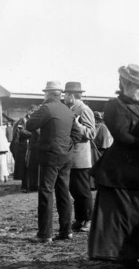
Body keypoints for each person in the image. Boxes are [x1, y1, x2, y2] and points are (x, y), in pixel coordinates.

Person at [88, 64, 139, 269]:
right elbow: (120, 135)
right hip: (120, 169)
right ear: (126, 84)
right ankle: (127, 255)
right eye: (137, 85)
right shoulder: (114, 105)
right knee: (124, 214)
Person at [26, 81, 82, 243]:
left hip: (50, 156)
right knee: (63, 192)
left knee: (46, 193)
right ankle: (66, 231)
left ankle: (45, 234)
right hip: (66, 156)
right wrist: (66, 146)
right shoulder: (67, 110)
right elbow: (77, 135)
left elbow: (30, 126)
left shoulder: (46, 108)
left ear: (48, 94)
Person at [63, 82, 96, 233]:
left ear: (71, 95)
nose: (64, 97)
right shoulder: (71, 108)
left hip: (81, 157)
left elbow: (91, 133)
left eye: (65, 95)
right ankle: (80, 218)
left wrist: (78, 126)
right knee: (75, 190)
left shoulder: (84, 109)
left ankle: (89, 219)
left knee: (82, 190)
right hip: (71, 156)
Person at [10, 105, 39, 191]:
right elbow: (21, 131)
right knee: (25, 167)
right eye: (33, 111)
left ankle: (33, 186)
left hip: (33, 146)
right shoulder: (22, 120)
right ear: (29, 111)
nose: (34, 113)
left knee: (33, 166)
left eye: (35, 111)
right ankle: (25, 186)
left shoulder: (36, 120)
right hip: (24, 147)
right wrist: (32, 134)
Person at [90, 111, 113, 191]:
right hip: (99, 149)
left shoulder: (99, 127)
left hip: (97, 149)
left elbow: (105, 139)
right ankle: (96, 184)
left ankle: (95, 185)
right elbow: (105, 140)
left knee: (96, 167)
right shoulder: (101, 127)